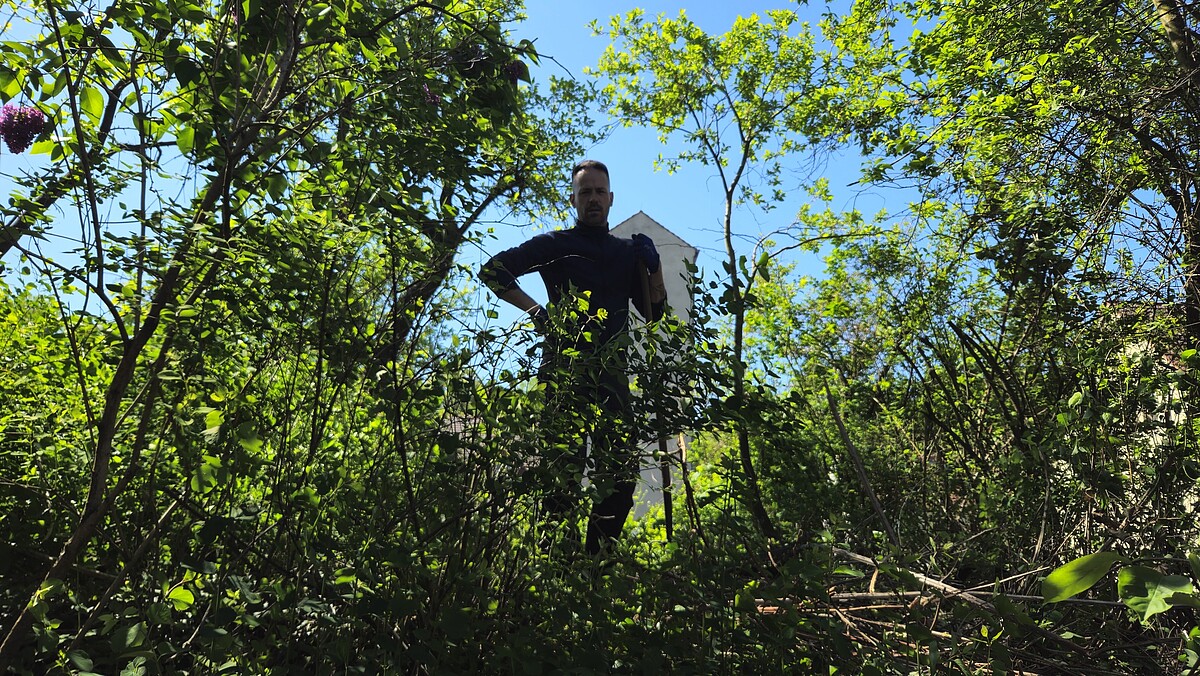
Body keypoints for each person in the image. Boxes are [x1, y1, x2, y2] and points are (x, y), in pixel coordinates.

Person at [479, 159, 667, 556]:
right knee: (561, 475)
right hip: (563, 373)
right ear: (573, 200)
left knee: (620, 474)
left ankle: (596, 566)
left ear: (611, 198)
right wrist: (537, 313)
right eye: (585, 192)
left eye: (599, 192)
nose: (593, 199)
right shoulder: (556, 245)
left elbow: (655, 314)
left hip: (612, 378)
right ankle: (556, 568)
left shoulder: (626, 253)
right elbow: (494, 270)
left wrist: (654, 268)